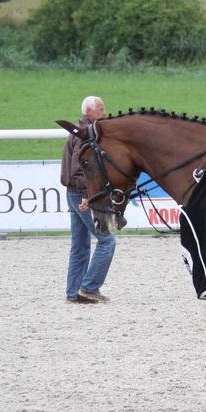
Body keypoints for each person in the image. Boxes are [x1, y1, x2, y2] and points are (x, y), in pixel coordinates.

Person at [60, 96, 116, 303]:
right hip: (82, 195)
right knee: (107, 241)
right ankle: (89, 288)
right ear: (90, 112)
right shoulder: (86, 134)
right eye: (101, 109)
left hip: (72, 193)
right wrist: (87, 195)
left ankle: (73, 292)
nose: (105, 113)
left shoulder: (78, 131)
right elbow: (79, 167)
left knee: (80, 246)